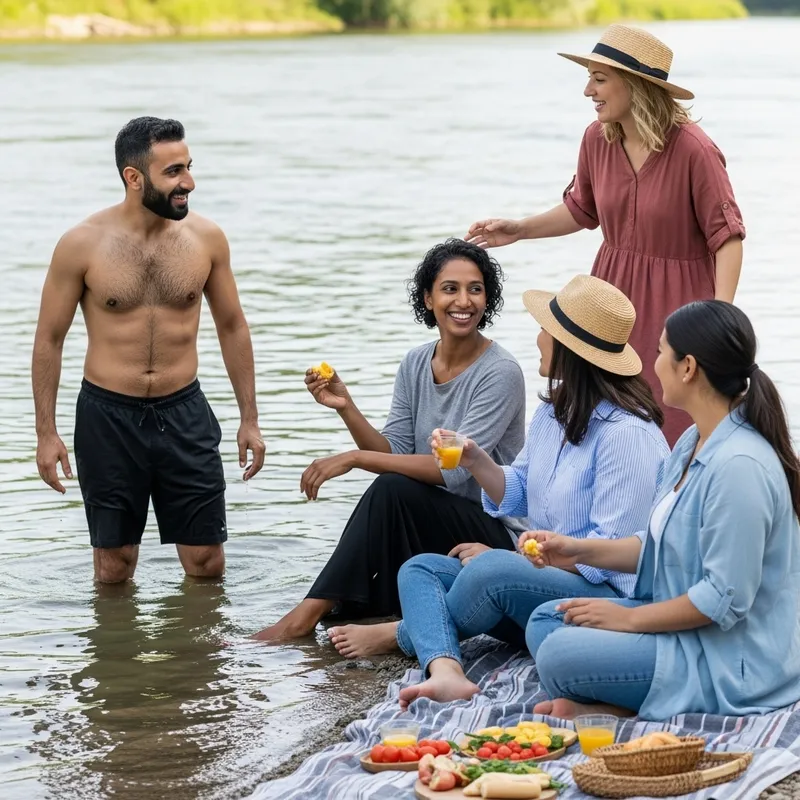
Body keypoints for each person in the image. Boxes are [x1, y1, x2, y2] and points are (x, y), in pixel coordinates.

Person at [330, 276, 669, 710]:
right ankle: (446, 669)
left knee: (490, 571)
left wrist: (518, 561)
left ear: (569, 348)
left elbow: (613, 558)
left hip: (607, 602)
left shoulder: (627, 436)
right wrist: (475, 459)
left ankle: (406, 632)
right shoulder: (554, 410)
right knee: (421, 570)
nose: (538, 338)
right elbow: (521, 491)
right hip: (547, 579)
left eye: (546, 330)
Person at [466, 23, 746, 448]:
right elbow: (583, 209)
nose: (587, 91)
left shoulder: (695, 150)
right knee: (605, 421)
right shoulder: (596, 139)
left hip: (680, 308)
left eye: (599, 79)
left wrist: (718, 321)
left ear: (635, 85)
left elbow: (727, 237)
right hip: (608, 305)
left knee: (674, 428)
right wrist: (520, 229)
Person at [527, 300, 800, 721]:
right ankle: (618, 702)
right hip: (682, 629)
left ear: (687, 367)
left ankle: (624, 704)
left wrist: (627, 620)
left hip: (731, 657)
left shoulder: (740, 467)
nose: (651, 365)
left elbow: (723, 600)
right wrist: (578, 549)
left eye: (659, 351)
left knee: (560, 654)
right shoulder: (692, 441)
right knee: (546, 620)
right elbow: (659, 543)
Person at [254, 239, 526, 642]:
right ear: (428, 298)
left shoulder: (500, 372)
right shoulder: (416, 362)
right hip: (427, 515)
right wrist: (346, 407)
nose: (464, 301)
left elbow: (447, 471)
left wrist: (355, 458)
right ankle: (334, 612)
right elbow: (395, 451)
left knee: (390, 488)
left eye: (475, 288)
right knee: (390, 496)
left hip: (491, 533)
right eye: (450, 289)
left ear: (488, 297)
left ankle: (303, 617)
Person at [31, 116, 265, 585]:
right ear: (133, 178)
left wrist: (249, 418)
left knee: (207, 563)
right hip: (107, 416)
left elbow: (233, 325)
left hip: (184, 410)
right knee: (115, 567)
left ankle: (196, 657)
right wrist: (46, 434)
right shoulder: (82, 244)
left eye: (189, 168)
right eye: (174, 172)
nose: (189, 183)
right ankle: (119, 659)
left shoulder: (206, 239)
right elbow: (48, 340)